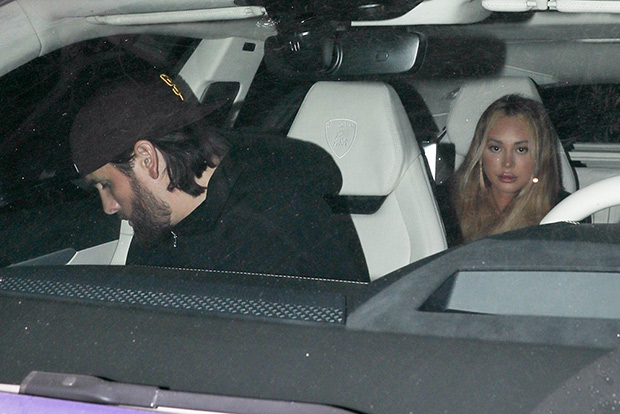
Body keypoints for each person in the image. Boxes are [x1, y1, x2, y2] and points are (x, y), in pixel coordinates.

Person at [70, 71, 369, 282]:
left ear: (148, 159)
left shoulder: (273, 231)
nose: (109, 206)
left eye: (106, 184)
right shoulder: (160, 221)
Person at [437, 94, 566, 246]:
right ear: (480, 151)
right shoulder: (444, 206)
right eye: (496, 148)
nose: (507, 163)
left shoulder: (563, 212)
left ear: (540, 155)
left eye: (521, 149)